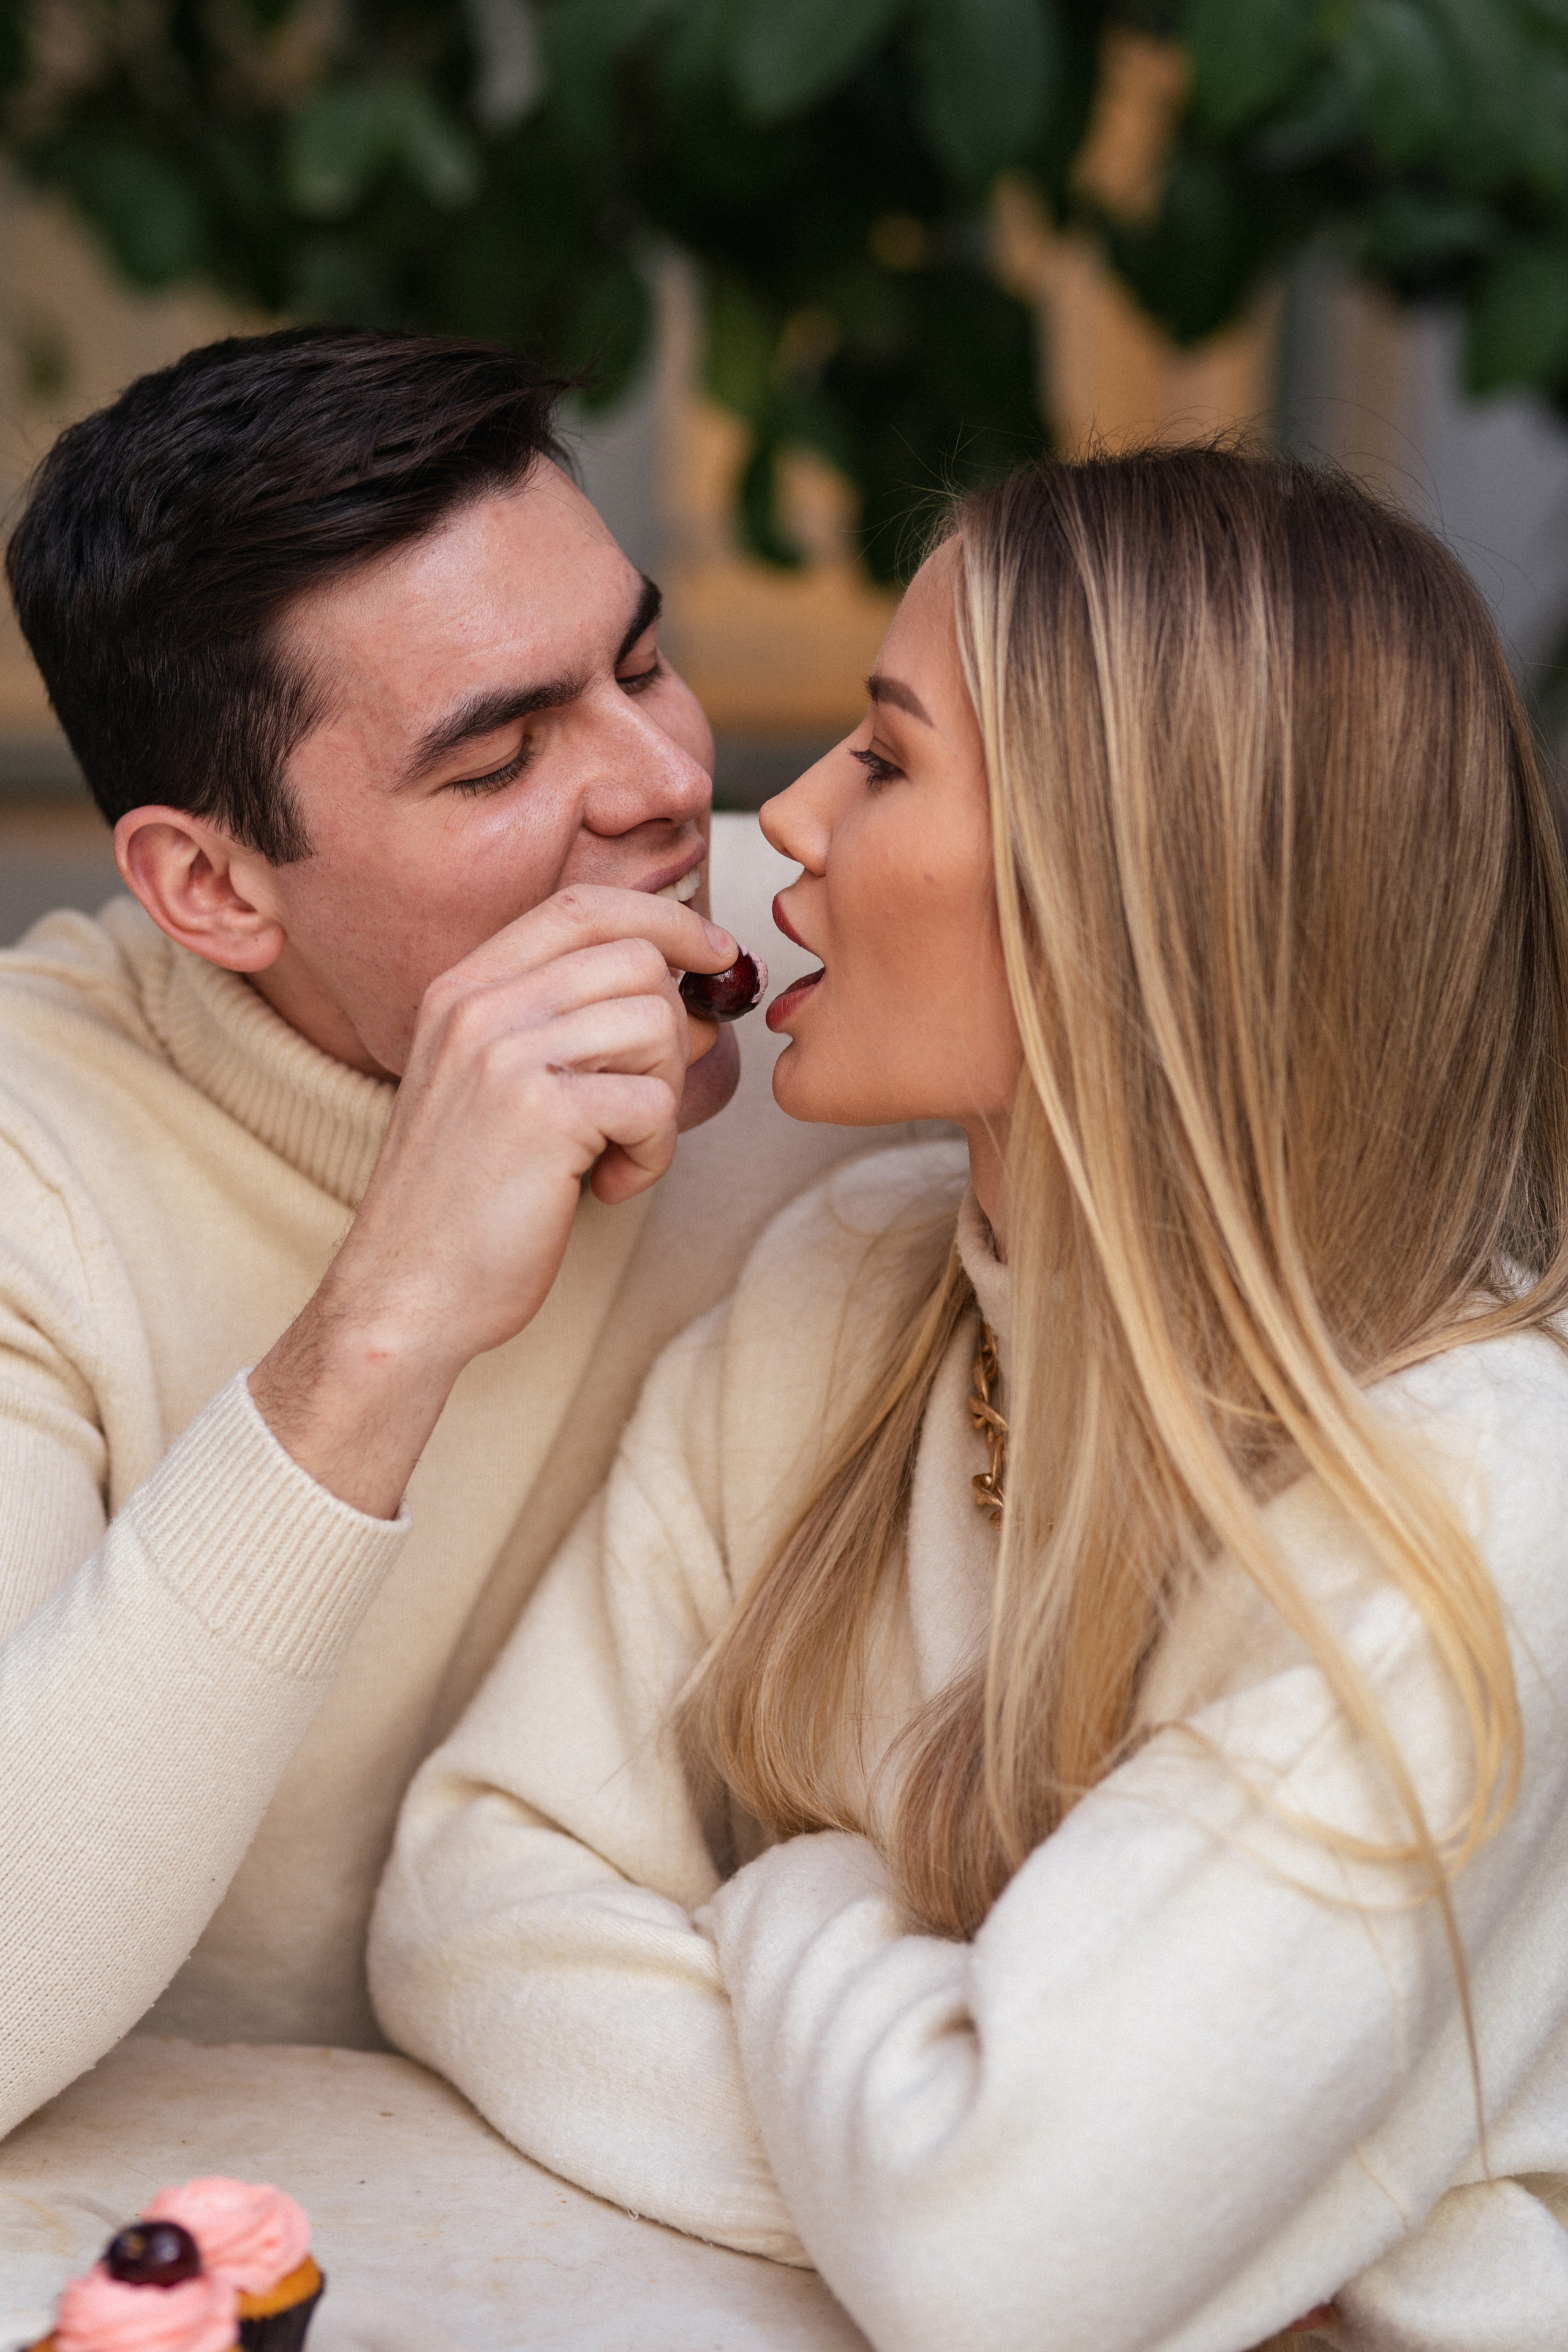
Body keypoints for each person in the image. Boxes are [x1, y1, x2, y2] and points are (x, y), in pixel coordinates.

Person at [371, 448, 1568, 2351]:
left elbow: (998, 2273)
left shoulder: (1471, 1496)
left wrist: (794, 1905)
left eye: (890, 759)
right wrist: (974, 2144)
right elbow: (469, 1904)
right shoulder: (849, 1288)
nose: (785, 822)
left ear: (1138, 885)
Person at [0, 325, 913, 2139]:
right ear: (212, 885)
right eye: (498, 763)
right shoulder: (35, 1158)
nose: (663, 786)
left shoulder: (857, 967)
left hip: (752, 2188)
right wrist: (391, 1315)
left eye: (644, 665)